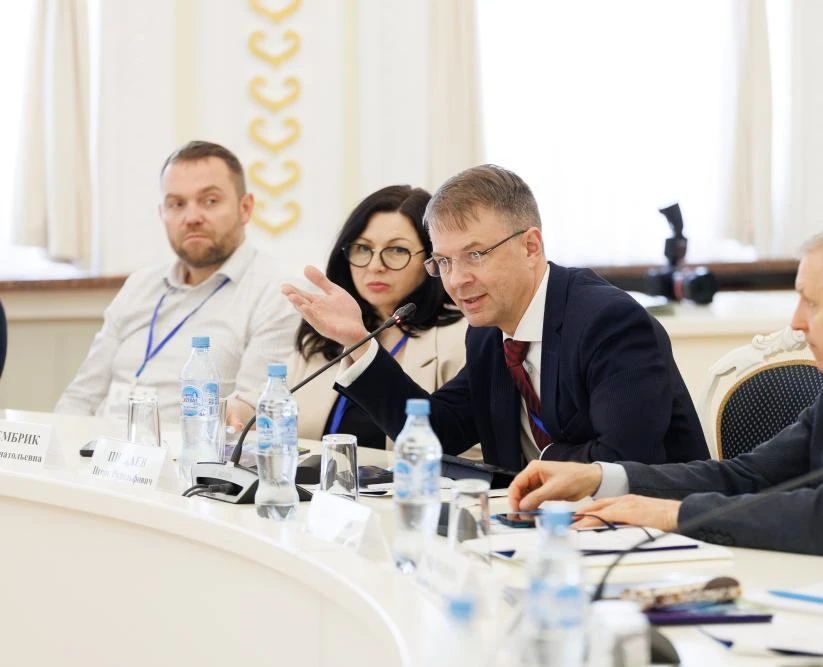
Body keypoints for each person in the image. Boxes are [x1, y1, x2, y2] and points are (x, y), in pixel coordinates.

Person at [508, 216, 823, 625]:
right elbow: (750, 474)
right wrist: (603, 478)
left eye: (810, 301)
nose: (797, 322)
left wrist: (674, 515)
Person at [283, 164, 709, 470]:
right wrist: (358, 341)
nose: (457, 280)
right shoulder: (489, 334)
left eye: (475, 255)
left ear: (530, 247)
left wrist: (537, 465)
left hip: (652, 535)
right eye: (443, 262)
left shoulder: (608, 322)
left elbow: (624, 462)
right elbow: (439, 432)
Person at [56, 141, 298, 421]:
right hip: (102, 444)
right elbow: (80, 397)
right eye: (177, 204)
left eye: (210, 201)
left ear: (245, 208)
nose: (192, 217)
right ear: (162, 213)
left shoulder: (277, 292)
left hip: (189, 446)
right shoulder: (140, 285)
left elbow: (253, 411)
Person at [227, 185, 469, 447]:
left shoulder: (460, 336)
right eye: (363, 248)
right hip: (320, 474)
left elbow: (466, 449)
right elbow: (271, 408)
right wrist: (235, 411)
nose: (375, 266)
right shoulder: (325, 335)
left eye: (397, 250)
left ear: (433, 258)